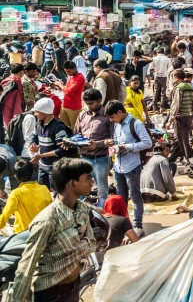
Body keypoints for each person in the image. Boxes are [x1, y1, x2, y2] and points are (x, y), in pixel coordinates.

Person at [12, 159, 96, 301]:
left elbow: (92, 243)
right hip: (50, 292)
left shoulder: (83, 209)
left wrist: (67, 249)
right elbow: (27, 264)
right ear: (72, 183)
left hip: (74, 286)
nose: (92, 182)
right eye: (87, 178)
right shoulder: (47, 221)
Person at [104, 100, 151, 237]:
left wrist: (127, 147)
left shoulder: (135, 124)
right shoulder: (117, 125)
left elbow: (147, 143)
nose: (111, 120)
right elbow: (118, 141)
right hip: (118, 167)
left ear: (120, 112)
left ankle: (137, 225)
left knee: (135, 197)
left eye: (112, 117)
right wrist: (112, 143)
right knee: (121, 198)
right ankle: (123, 224)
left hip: (132, 166)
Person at [71, 89, 112, 208]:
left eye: (91, 103)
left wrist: (97, 144)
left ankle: (102, 215)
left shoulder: (107, 116)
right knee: (81, 190)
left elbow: (113, 139)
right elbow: (76, 134)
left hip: (100, 159)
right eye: (87, 103)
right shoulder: (83, 114)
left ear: (100, 101)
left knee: (102, 191)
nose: (88, 106)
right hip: (84, 159)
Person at [0, 160, 51, 234]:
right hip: (43, 231)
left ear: (15, 176)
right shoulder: (44, 189)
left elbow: (5, 216)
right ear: (33, 173)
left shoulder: (16, 194)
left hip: (23, 234)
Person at [29, 97, 69, 190]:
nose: (35, 114)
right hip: (42, 166)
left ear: (44, 113)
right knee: (43, 191)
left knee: (56, 193)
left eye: (37, 112)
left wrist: (40, 156)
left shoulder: (58, 127)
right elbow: (34, 138)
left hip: (54, 167)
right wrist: (33, 146)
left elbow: (61, 150)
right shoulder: (38, 125)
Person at [52, 60, 85, 129]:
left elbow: (68, 91)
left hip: (74, 107)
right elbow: (66, 89)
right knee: (63, 127)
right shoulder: (71, 76)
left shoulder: (80, 78)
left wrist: (59, 84)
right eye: (66, 71)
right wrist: (59, 86)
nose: (67, 73)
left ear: (74, 68)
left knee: (75, 128)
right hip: (65, 105)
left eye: (69, 71)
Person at [1, 63, 24, 128]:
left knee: (6, 120)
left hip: (5, 105)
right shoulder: (16, 81)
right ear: (21, 72)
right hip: (15, 105)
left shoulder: (5, 80)